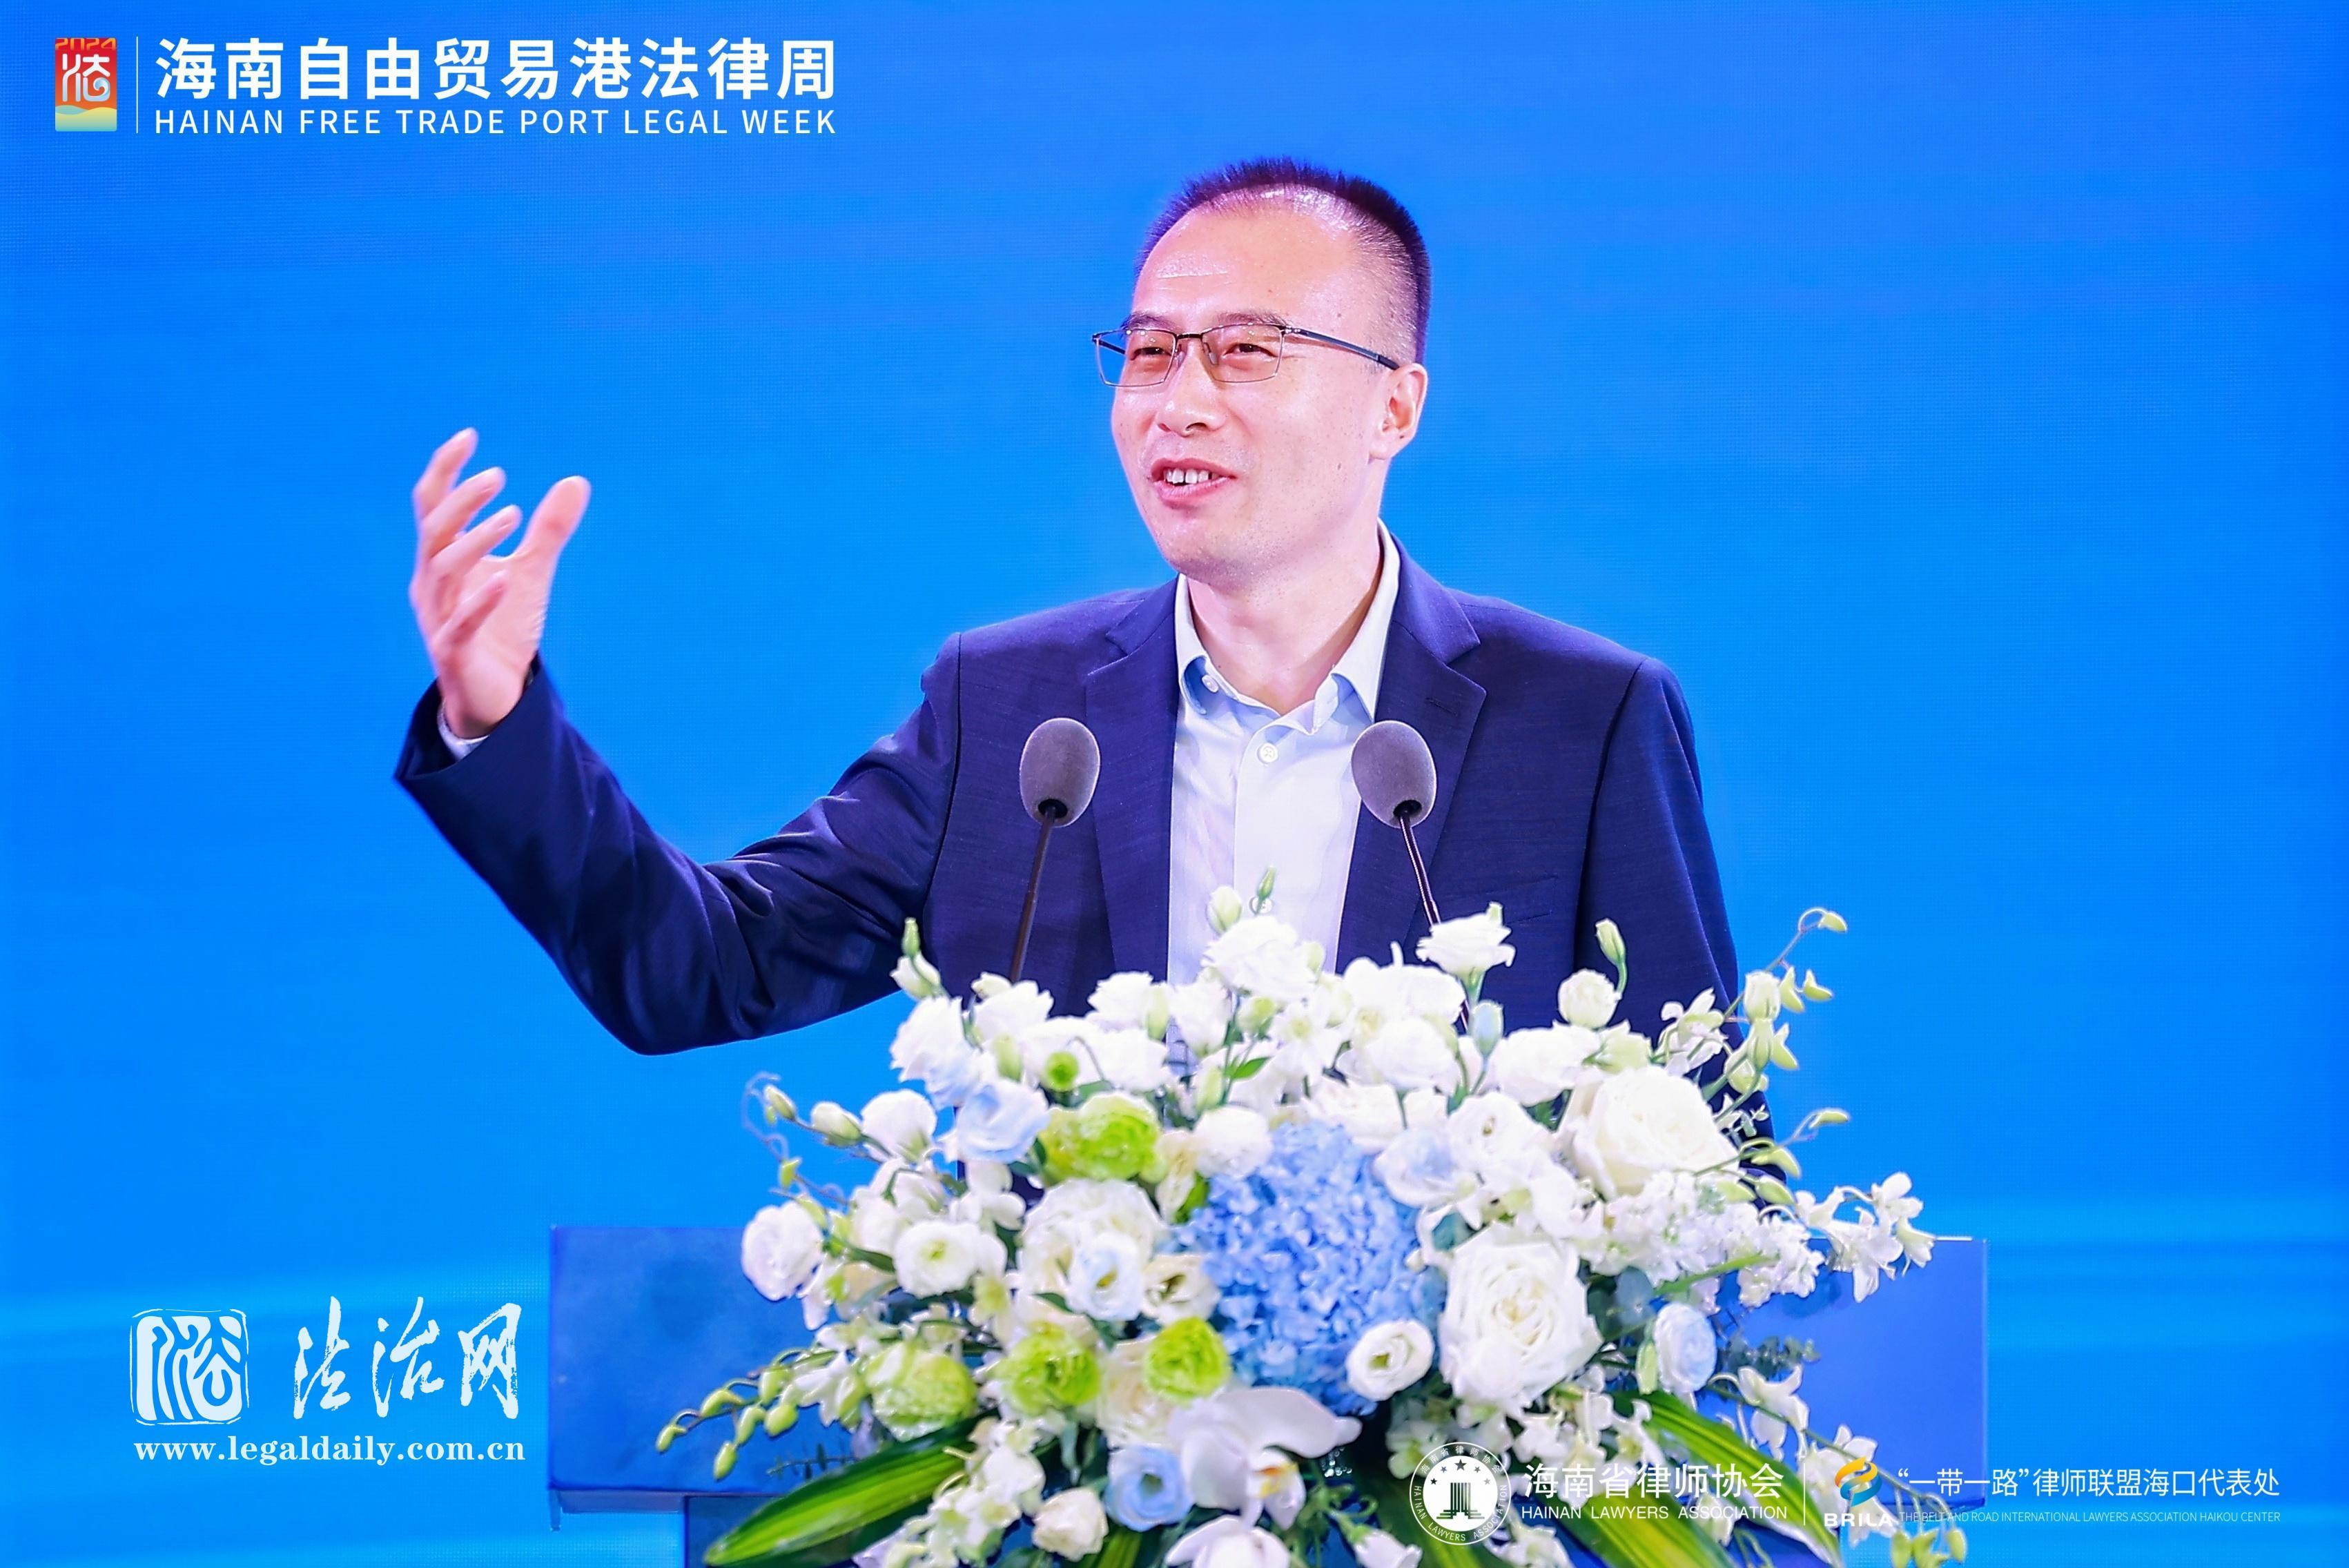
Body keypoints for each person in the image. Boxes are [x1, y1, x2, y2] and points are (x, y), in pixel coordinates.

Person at [396, 157, 1744, 1092]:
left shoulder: (1582, 719)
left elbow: (1703, 1156)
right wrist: (495, 721)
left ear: (1394, 405)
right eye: (1149, 352)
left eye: (1247, 352)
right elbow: (701, 966)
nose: (1180, 399)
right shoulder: (1009, 709)